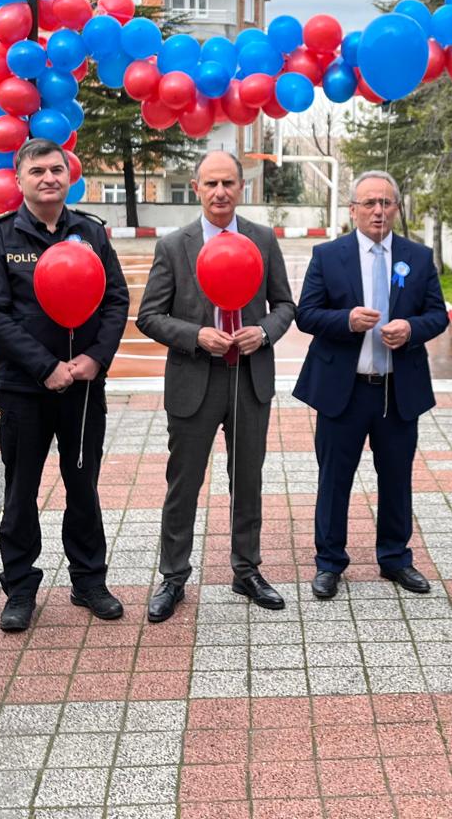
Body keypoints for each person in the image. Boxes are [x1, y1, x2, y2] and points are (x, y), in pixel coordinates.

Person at [137, 151, 295, 622]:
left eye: (228, 183)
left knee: (248, 480)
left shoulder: (262, 240)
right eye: (211, 184)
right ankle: (173, 577)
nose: (220, 192)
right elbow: (149, 316)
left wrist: (263, 331)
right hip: (194, 381)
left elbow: (285, 305)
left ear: (241, 187)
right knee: (183, 483)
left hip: (250, 380)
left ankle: (247, 570)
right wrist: (195, 335)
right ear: (197, 188)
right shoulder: (174, 246)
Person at [0, 138, 129, 631]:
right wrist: (45, 366)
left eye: (56, 170)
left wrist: (95, 358)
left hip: (83, 388)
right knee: (21, 491)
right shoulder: (0, 236)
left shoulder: (91, 232)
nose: (48, 178)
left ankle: (89, 580)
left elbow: (116, 300)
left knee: (83, 485)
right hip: (23, 390)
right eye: (37, 171)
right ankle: (20, 588)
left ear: (69, 176)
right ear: (19, 179)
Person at [295, 170, 448, 599]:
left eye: (386, 203)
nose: (378, 211)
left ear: (396, 208)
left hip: (397, 390)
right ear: (353, 210)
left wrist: (411, 329)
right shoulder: (328, 255)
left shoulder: (419, 257)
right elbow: (306, 314)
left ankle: (395, 558)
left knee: (397, 477)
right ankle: (329, 562)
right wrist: (345, 320)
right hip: (343, 390)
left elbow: (438, 315)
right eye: (369, 203)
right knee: (334, 479)